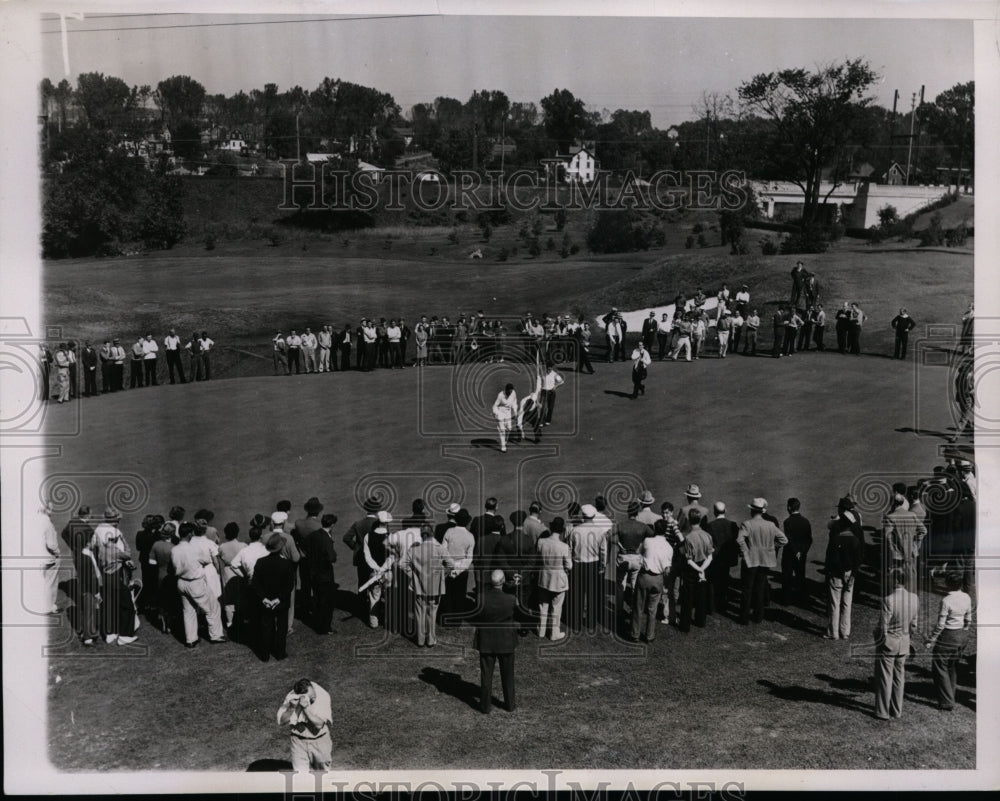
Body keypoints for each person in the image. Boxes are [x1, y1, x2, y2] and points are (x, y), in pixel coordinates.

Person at [170, 522, 226, 648]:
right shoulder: (193, 549)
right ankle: (216, 635)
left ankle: (191, 639)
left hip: (181, 582)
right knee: (213, 608)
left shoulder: (174, 549)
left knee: (189, 611)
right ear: (190, 534)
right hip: (195, 582)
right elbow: (206, 560)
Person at [873, 569, 919, 720]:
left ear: (894, 580)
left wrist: (879, 639)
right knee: (899, 677)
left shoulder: (889, 599)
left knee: (885, 677)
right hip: (904, 642)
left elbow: (883, 626)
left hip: (889, 643)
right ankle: (897, 710)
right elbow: (914, 625)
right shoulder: (914, 598)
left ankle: (882, 711)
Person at [924, 571, 973, 711]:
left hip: (949, 636)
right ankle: (950, 695)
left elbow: (940, 624)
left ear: (947, 584)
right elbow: (968, 618)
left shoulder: (946, 600)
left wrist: (931, 640)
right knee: (952, 666)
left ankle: (947, 701)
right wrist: (964, 629)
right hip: (963, 636)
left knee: (940, 666)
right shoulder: (966, 597)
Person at [400, 524, 454, 647]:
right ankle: (430, 640)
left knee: (419, 614)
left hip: (419, 586)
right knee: (432, 613)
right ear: (432, 534)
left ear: (421, 535)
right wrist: (442, 575)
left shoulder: (413, 550)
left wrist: (412, 575)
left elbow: (402, 564)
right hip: (435, 586)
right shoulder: (439, 548)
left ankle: (420, 640)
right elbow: (451, 564)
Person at [473, 570, 519, 713]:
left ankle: (485, 706)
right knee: (508, 675)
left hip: (486, 640)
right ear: (503, 581)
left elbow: (476, 617)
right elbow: (519, 614)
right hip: (506, 641)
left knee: (486, 675)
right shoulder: (511, 599)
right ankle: (510, 704)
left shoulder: (481, 598)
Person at [93, 508, 140, 645]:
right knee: (126, 604)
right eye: (118, 519)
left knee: (108, 603)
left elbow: (97, 550)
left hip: (104, 572)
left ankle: (110, 633)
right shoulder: (116, 534)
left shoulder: (98, 530)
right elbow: (127, 553)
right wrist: (122, 540)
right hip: (116, 572)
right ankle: (125, 635)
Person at [737, 498, 788, 624]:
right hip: (764, 559)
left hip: (751, 558)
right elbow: (784, 540)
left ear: (752, 511)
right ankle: (758, 616)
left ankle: (744, 617)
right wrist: (771, 546)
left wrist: (745, 551)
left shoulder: (747, 524)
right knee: (760, 587)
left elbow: (739, 540)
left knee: (747, 588)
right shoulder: (770, 525)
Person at [252, 533, 296, 660]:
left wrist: (264, 598)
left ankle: (265, 654)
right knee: (282, 627)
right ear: (281, 548)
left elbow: (255, 583)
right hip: (281, 601)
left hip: (265, 601)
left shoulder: (260, 562)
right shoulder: (286, 564)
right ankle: (280, 653)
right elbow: (289, 586)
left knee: (266, 627)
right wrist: (279, 599)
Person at [277, 679, 334, 772]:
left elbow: (319, 725)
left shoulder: (323, 696)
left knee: (323, 774)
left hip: (319, 741)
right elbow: (281, 721)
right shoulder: (292, 696)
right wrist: (291, 708)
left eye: (313, 696)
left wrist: (306, 709)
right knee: (300, 777)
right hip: (298, 741)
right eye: (311, 698)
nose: (313, 698)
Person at [629, 519, 672, 642]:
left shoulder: (647, 541)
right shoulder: (669, 547)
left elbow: (639, 552)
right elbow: (667, 569)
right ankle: (649, 635)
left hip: (644, 576)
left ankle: (635, 634)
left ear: (654, 528)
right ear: (666, 530)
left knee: (638, 606)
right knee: (652, 609)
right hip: (658, 578)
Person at [567, 504, 608, 632]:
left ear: (583, 516)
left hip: (578, 565)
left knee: (577, 595)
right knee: (592, 594)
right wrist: (602, 565)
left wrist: (569, 565)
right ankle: (591, 622)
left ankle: (576, 624)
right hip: (593, 565)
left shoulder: (575, 530)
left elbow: (569, 549)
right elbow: (603, 551)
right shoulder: (600, 531)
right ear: (594, 516)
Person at [824, 514, 864, 640]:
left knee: (835, 604)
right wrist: (852, 575)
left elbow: (833, 559)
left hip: (836, 574)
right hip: (850, 574)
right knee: (847, 604)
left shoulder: (835, 539)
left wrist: (841, 572)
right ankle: (845, 631)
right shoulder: (855, 540)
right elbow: (858, 560)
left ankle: (833, 632)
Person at [343, 497, 381, 617]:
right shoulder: (378, 523)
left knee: (362, 582)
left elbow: (346, 538)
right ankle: (374, 609)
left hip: (361, 558)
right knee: (376, 583)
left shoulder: (358, 523)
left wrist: (356, 547)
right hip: (376, 559)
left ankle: (361, 608)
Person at [612, 501, 651, 615]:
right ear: (638, 512)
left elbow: (608, 536)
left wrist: (619, 544)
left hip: (623, 558)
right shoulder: (642, 526)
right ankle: (635, 608)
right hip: (636, 558)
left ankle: (619, 609)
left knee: (620, 584)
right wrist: (641, 545)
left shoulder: (621, 525)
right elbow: (654, 535)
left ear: (628, 512)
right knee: (635, 585)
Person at [679, 509, 713, 631]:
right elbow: (710, 556)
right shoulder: (707, 535)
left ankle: (685, 625)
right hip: (704, 566)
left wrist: (698, 569)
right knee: (702, 595)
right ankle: (700, 621)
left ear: (689, 520)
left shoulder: (688, 537)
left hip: (692, 569)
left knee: (688, 597)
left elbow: (688, 560)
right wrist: (702, 570)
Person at [883, 493, 927, 589]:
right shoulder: (912, 515)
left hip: (897, 553)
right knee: (912, 574)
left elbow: (887, 536)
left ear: (892, 503)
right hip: (911, 551)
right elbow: (923, 530)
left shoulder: (890, 517)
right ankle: (912, 595)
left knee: (897, 575)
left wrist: (892, 548)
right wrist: (915, 542)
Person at [536, 524, 572, 641]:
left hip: (544, 577)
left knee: (543, 605)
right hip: (558, 579)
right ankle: (554, 633)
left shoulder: (541, 542)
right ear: (561, 531)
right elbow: (569, 565)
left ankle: (541, 631)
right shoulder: (564, 546)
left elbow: (538, 556)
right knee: (556, 607)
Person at [305, 513, 338, 635]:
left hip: (313, 572)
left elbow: (305, 547)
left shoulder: (313, 535)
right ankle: (325, 628)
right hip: (325, 574)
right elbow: (332, 557)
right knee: (327, 602)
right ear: (333, 525)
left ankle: (319, 623)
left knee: (318, 599)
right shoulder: (326, 539)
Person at [704, 502, 739, 614]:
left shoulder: (709, 526)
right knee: (724, 580)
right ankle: (723, 604)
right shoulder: (733, 524)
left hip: (715, 558)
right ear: (725, 511)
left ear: (714, 512)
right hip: (727, 558)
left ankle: (712, 606)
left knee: (713, 582)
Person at [441, 508, 475, 623]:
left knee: (448, 594)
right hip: (462, 570)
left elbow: (443, 551)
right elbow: (469, 558)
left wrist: (451, 565)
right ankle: (457, 620)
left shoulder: (449, 532)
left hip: (448, 568)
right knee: (460, 595)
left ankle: (447, 619)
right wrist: (458, 569)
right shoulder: (470, 536)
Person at [781, 498, 813, 604]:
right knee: (800, 576)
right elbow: (809, 539)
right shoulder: (805, 521)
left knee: (787, 576)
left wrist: (796, 552)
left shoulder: (787, 522)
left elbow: (789, 539)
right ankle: (802, 597)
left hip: (789, 554)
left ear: (789, 508)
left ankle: (786, 599)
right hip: (802, 554)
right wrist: (802, 551)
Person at [218, 522, 246, 631]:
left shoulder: (222, 546)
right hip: (240, 570)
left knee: (228, 597)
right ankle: (241, 619)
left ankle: (229, 622)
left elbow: (220, 556)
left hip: (228, 570)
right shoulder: (243, 545)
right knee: (241, 595)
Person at [492, 382, 518, 453]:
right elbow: (495, 405)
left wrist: (515, 412)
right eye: (508, 392)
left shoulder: (513, 393)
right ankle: (503, 447)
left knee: (509, 428)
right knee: (502, 430)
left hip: (508, 412)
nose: (510, 393)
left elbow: (514, 402)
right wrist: (496, 413)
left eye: (511, 391)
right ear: (506, 390)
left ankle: (505, 441)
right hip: (500, 412)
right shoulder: (500, 395)